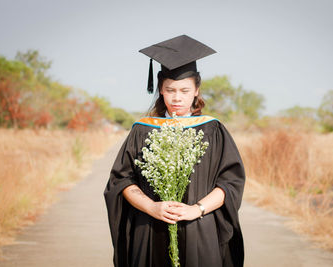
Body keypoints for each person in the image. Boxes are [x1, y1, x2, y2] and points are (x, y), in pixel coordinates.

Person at [104, 35, 245, 267]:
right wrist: (152, 207)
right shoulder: (143, 130)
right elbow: (121, 181)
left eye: (184, 90)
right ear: (160, 89)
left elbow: (230, 183)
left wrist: (196, 210)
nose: (177, 97)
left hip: (198, 229)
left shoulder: (212, 130)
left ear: (197, 90)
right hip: (149, 229)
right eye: (170, 90)